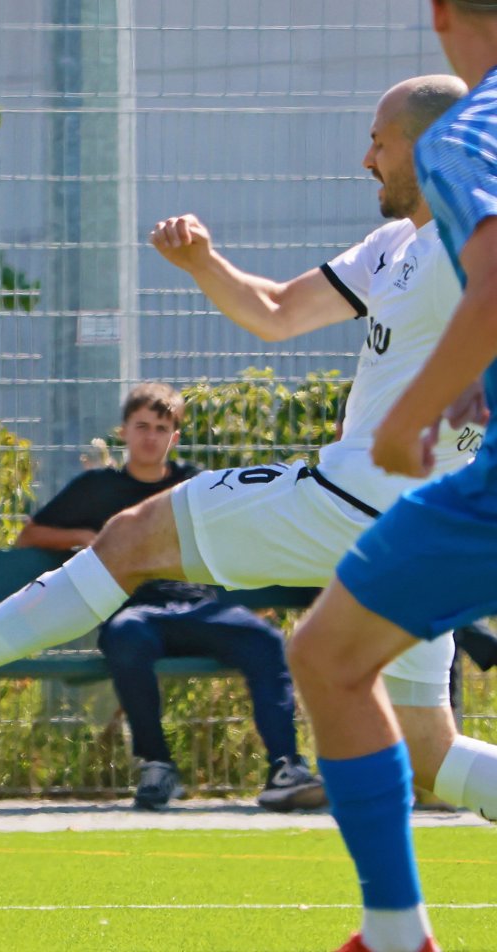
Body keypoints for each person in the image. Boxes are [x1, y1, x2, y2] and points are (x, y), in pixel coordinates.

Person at [0, 75, 497, 838]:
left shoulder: (476, 248)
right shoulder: (397, 243)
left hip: (360, 500)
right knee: (432, 757)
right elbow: (275, 312)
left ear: (432, 146)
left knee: (133, 537)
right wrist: (203, 262)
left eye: (380, 139)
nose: (365, 156)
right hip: (412, 531)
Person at [286, 2, 497, 948]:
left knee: (328, 657)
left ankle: (396, 933)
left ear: (441, 14)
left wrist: (414, 409)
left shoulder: (466, 133)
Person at [17, 381, 324, 811]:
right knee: (123, 635)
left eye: (161, 428)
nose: (150, 436)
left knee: (265, 640)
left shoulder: (194, 483)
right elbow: (29, 535)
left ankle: (285, 768)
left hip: (200, 607)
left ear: (174, 437)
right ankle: (157, 765)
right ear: (123, 431)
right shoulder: (97, 488)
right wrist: (88, 536)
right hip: (137, 610)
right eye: (141, 426)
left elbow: (244, 530)